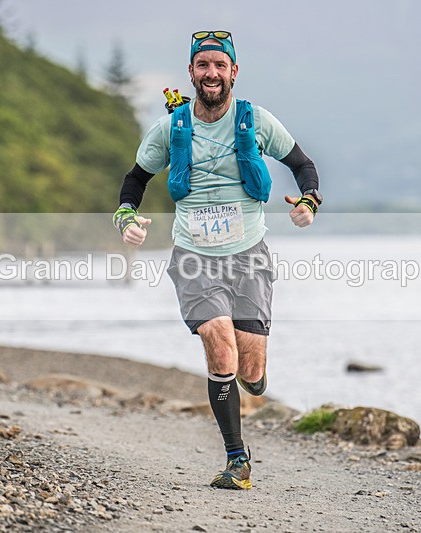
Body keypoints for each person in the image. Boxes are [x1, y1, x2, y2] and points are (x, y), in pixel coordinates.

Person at [113, 30, 322, 490]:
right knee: (219, 343)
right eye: (203, 65)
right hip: (194, 256)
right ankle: (236, 459)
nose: (211, 73)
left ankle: (255, 379)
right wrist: (125, 215)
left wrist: (309, 200)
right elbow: (135, 180)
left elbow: (303, 165)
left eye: (219, 65)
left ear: (233, 72)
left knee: (250, 368)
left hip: (249, 256)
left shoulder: (256, 120)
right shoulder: (171, 128)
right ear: (191, 72)